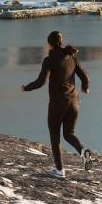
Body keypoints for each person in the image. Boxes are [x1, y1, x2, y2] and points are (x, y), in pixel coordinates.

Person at [22, 30, 93, 178]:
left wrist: (26, 88)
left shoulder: (49, 60)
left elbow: (41, 82)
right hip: (74, 103)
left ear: (49, 44)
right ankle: (83, 151)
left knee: (55, 136)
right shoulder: (71, 57)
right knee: (69, 134)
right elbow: (84, 76)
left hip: (57, 104)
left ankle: (60, 171)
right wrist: (85, 87)